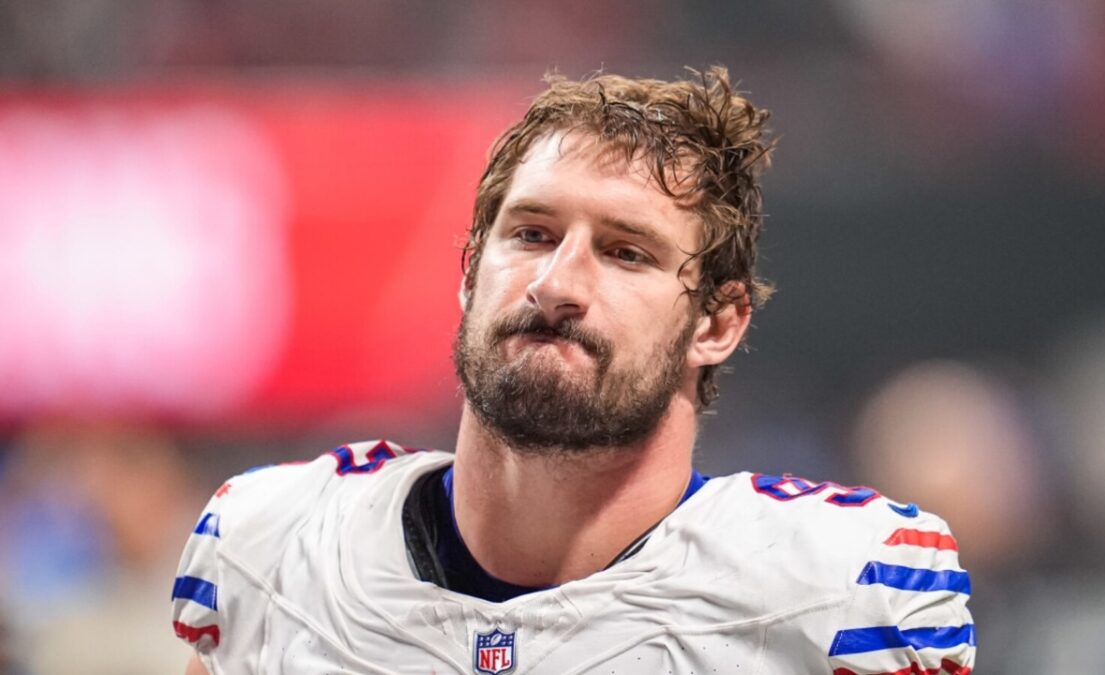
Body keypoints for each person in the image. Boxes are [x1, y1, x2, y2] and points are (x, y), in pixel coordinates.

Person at [172, 67, 975, 675]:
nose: (556, 284)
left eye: (626, 251)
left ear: (718, 322)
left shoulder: (846, 589)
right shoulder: (268, 546)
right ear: (466, 274)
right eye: (530, 233)